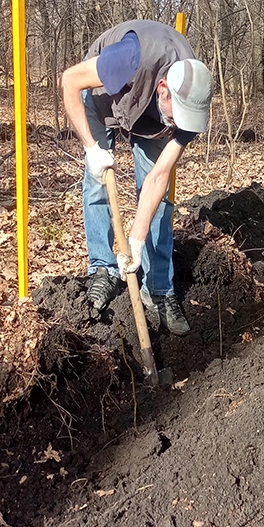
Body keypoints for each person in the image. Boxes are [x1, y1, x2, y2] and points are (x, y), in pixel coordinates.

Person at [61, 20, 214, 335]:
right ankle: (102, 270)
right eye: (177, 115)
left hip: (148, 117)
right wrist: (91, 149)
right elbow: (70, 80)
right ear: (164, 90)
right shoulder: (130, 57)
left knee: (160, 200)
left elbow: (159, 177)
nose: (180, 124)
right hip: (106, 93)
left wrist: (136, 239)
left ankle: (159, 287)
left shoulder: (191, 111)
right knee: (97, 183)